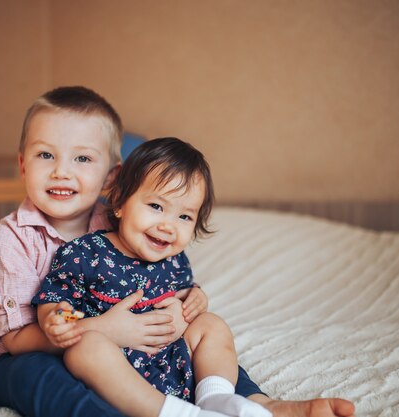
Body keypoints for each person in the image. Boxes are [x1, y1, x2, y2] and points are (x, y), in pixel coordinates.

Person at [0, 86, 272, 417]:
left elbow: (159, 279)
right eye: (45, 155)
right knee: (41, 377)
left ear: (112, 176)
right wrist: (101, 329)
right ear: (23, 165)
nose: (61, 171)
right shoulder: (12, 239)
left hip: (116, 342)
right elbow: (16, 341)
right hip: (23, 353)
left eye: (81, 158)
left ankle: (250, 405)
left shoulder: (125, 223)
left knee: (193, 347)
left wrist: (185, 307)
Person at [33, 138, 356, 417]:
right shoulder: (85, 253)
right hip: (115, 360)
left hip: (170, 358)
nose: (168, 225)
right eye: (156, 206)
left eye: (184, 216)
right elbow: (55, 298)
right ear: (118, 202)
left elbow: (185, 291)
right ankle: (169, 412)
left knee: (212, 324)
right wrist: (56, 318)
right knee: (84, 349)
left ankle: (214, 398)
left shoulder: (173, 259)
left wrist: (197, 296)